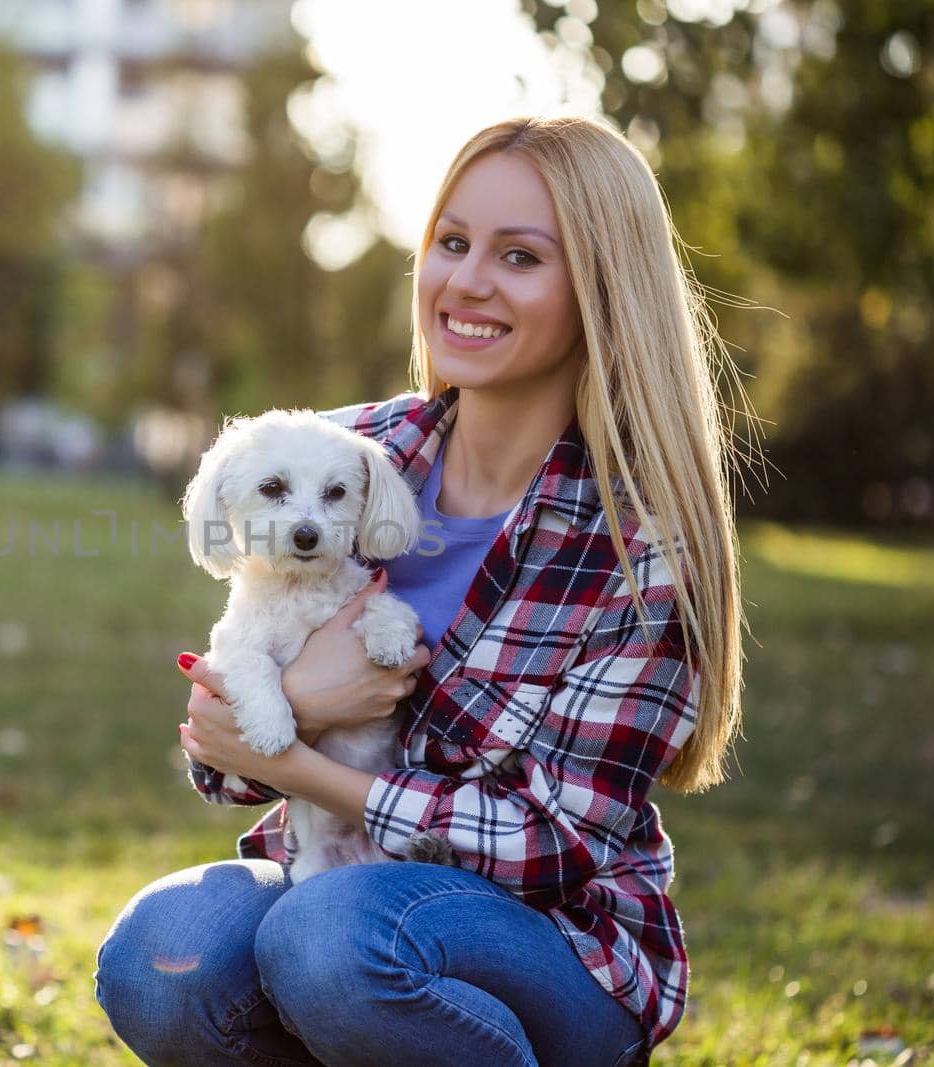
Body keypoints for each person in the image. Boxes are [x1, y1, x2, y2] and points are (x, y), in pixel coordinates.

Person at [94, 115, 747, 1067]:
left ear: (601, 288)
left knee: (328, 938)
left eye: (520, 256)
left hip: (558, 945)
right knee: (163, 957)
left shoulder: (643, 543)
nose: (468, 280)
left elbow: (549, 845)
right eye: (452, 242)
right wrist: (303, 703)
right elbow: (219, 756)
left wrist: (311, 766)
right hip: (336, 884)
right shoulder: (353, 452)